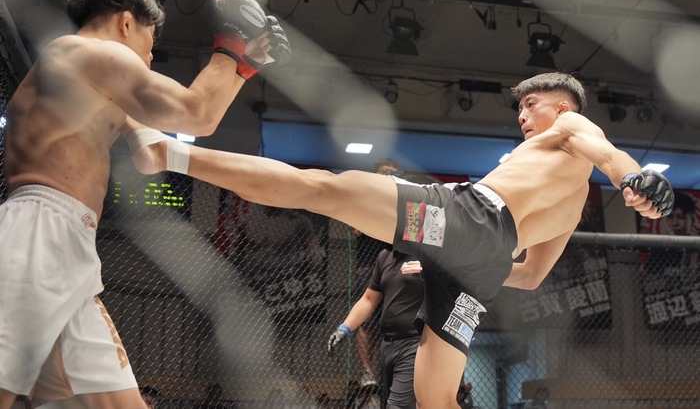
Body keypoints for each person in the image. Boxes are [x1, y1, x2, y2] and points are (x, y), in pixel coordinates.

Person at [126, 72, 673, 408]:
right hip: (479, 266)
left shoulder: (571, 128)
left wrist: (635, 179)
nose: (523, 115)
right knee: (437, 401)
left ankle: (168, 153)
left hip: (468, 220)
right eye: (521, 108)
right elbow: (529, 275)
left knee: (321, 189)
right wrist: (450, 260)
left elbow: (610, 155)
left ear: (563, 108)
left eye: (532, 104)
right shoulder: (573, 207)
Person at [0, 0, 290, 409]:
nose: (151, 56)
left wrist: (244, 64)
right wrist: (231, 38)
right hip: (39, 235)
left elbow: (160, 146)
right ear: (125, 22)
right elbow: (195, 113)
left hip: (70, 246)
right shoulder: (85, 52)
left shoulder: (90, 83)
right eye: (150, 41)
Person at [327, 249, 424, 408]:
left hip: (416, 343)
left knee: (398, 405)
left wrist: (431, 273)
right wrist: (344, 328)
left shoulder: (430, 254)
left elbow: (457, 279)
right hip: (388, 345)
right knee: (389, 402)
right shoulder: (385, 256)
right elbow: (369, 299)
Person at [350, 158, 402, 388]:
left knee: (398, 320)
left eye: (392, 173)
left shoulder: (403, 200)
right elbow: (356, 230)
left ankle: (397, 370)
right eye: (383, 172)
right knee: (367, 321)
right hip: (369, 265)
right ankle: (367, 373)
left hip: (396, 264)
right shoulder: (365, 197)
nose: (388, 176)